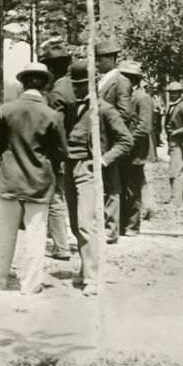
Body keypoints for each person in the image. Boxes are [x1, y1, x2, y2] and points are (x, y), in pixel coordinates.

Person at [0, 63, 69, 295]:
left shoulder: (7, 110)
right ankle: (30, 285)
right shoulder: (52, 115)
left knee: (5, 232)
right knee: (36, 235)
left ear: (23, 83)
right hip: (39, 181)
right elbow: (61, 152)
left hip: (10, 178)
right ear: (45, 86)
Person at [63, 60, 133, 296]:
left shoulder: (104, 109)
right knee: (74, 223)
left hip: (89, 170)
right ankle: (86, 268)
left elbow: (126, 140)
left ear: (93, 84)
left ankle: (92, 277)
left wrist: (103, 160)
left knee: (86, 223)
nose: (78, 89)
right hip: (69, 167)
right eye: (75, 85)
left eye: (83, 85)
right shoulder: (71, 108)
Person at [39, 40, 74, 261]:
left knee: (54, 198)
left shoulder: (57, 92)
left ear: (51, 69)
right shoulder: (72, 85)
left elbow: (56, 126)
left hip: (59, 152)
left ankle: (61, 246)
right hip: (73, 149)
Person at [95, 39, 132, 244]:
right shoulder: (103, 80)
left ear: (111, 59)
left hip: (111, 139)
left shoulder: (120, 81)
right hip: (100, 137)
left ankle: (111, 229)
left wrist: (108, 120)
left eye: (100, 59)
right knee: (105, 184)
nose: (97, 64)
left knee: (112, 185)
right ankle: (105, 225)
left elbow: (125, 113)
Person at [118, 61, 153, 236]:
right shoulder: (126, 97)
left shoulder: (142, 98)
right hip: (124, 150)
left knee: (133, 189)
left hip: (135, 151)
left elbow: (144, 127)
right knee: (123, 187)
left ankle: (132, 225)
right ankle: (123, 223)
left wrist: (127, 141)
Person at [164, 82, 183, 205]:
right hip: (173, 141)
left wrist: (177, 132)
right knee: (177, 168)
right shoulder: (172, 106)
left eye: (175, 93)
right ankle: (182, 196)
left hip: (180, 142)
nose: (172, 95)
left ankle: (176, 199)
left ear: (180, 93)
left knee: (175, 170)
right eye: (171, 93)